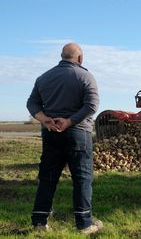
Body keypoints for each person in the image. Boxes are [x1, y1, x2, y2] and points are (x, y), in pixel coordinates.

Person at [26, 43, 102, 235]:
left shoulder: (44, 77)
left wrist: (45, 120)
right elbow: (92, 106)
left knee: (47, 177)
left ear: (61, 56)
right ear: (80, 58)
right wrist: (69, 121)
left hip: (51, 134)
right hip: (78, 134)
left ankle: (39, 222)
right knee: (82, 178)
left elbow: (31, 102)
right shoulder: (85, 76)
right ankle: (84, 223)